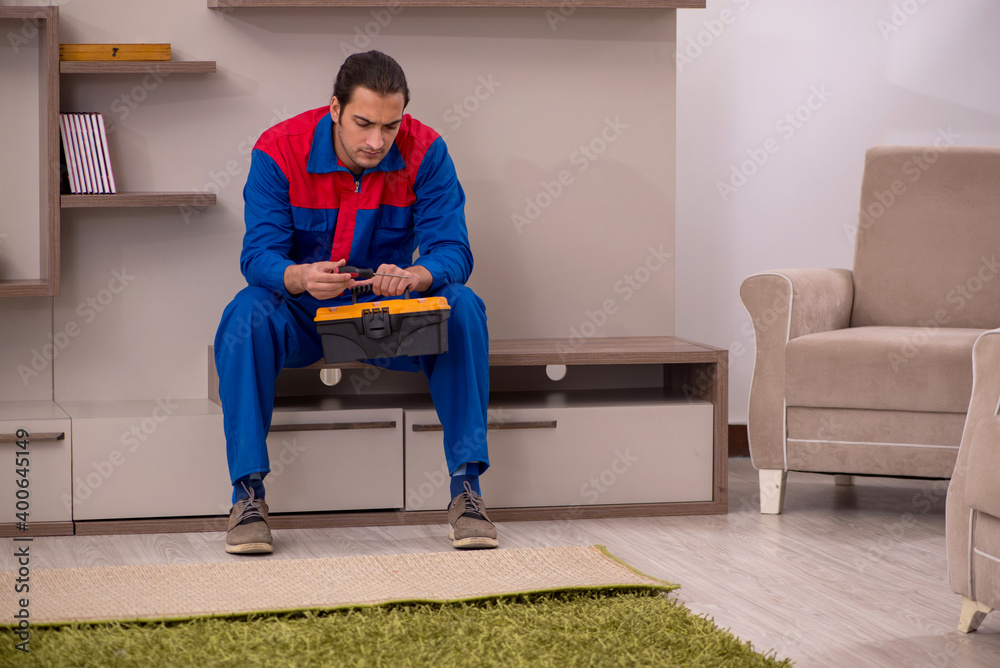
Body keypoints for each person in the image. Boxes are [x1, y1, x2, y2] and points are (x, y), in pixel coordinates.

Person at [214, 50, 495, 555]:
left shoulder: (427, 151)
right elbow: (258, 256)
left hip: (389, 313)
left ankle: (467, 490)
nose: (376, 141)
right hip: (306, 315)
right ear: (335, 109)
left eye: (390, 126)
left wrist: (416, 275)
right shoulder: (278, 150)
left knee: (464, 306)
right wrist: (297, 276)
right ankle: (248, 496)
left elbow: (453, 249)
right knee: (244, 314)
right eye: (364, 123)